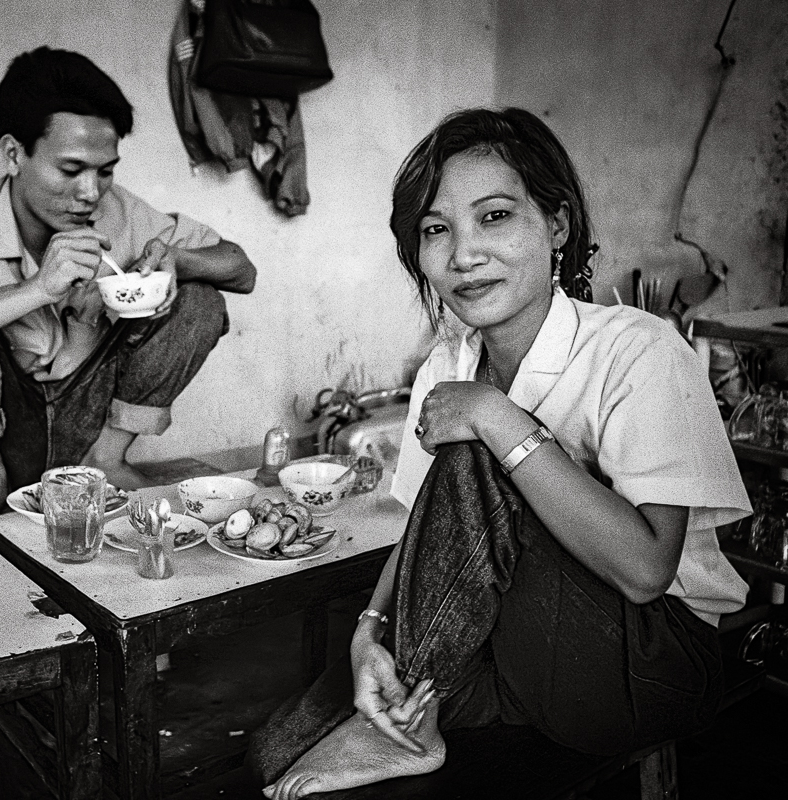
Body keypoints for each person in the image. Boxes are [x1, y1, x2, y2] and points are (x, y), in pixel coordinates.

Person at [251, 107, 751, 799]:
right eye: (436, 230)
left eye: (494, 217)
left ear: (557, 226)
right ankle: (407, 711)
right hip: (515, 648)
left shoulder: (637, 349)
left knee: (477, 451)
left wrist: (495, 415)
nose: (463, 254)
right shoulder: (446, 365)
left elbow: (645, 570)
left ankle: (409, 731)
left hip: (649, 659)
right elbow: (433, 532)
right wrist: (369, 632)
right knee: (278, 748)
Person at [0, 47, 256, 529]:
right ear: (13, 153)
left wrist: (180, 261)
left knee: (198, 296)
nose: (91, 192)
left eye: (105, 170)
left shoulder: (121, 213)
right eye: (70, 170)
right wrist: (37, 289)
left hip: (87, 429)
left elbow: (242, 270)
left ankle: (108, 462)